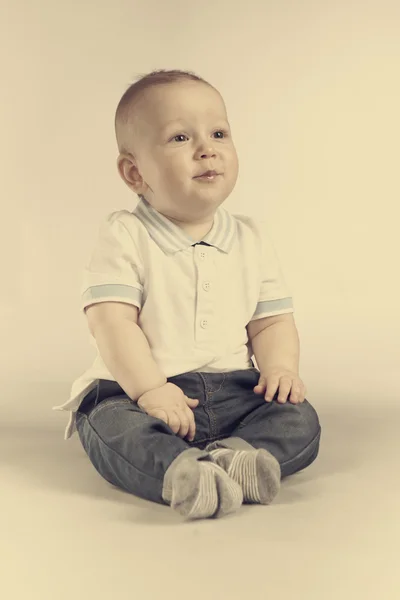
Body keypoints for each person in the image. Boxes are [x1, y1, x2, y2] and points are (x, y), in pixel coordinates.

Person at [53, 69, 321, 520]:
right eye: (180, 138)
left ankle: (233, 457)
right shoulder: (125, 234)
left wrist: (280, 368)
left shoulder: (251, 237)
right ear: (134, 172)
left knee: (301, 419)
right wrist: (152, 390)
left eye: (218, 133)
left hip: (235, 391)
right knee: (109, 426)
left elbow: (271, 321)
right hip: (134, 391)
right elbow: (112, 322)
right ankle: (182, 471)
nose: (206, 148)